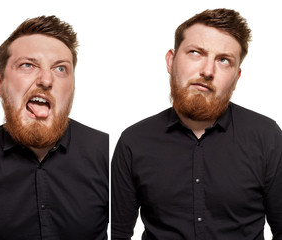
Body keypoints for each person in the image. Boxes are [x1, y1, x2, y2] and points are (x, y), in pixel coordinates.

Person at [111, 8, 282, 240]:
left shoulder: (267, 137)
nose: (208, 71)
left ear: (236, 77)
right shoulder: (134, 141)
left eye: (223, 60)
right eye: (195, 53)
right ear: (171, 61)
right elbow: (119, 233)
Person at [0, 16, 108, 240]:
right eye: (28, 65)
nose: (46, 80)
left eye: (60, 68)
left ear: (72, 88)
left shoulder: (108, 153)